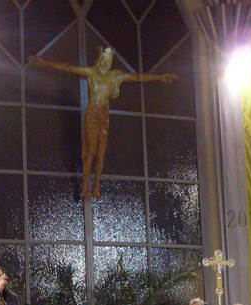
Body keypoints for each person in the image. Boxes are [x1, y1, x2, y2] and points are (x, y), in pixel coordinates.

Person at [29, 48, 177, 199]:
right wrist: (45, 63)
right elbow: (67, 67)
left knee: (101, 151)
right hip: (92, 113)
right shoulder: (91, 72)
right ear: (100, 60)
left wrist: (160, 77)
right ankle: (85, 186)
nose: (106, 65)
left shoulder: (116, 76)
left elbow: (138, 77)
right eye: (104, 61)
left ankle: (96, 186)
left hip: (103, 114)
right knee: (91, 149)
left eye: (109, 62)